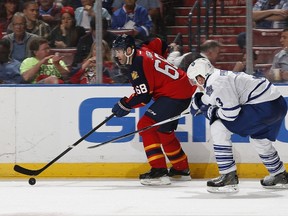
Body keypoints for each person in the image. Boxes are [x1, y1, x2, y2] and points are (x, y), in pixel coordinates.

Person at [187, 58, 288, 193]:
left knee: (218, 126)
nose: (196, 83)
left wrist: (209, 111)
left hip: (262, 107)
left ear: (200, 77)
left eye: (194, 80)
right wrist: (202, 103)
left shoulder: (215, 81)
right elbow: (214, 97)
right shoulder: (218, 76)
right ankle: (279, 174)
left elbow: (231, 114)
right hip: (277, 105)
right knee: (259, 137)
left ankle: (228, 177)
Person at [111, 34, 197, 185]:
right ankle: (181, 170)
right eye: (116, 51)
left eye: (119, 51)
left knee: (145, 125)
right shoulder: (144, 49)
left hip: (174, 94)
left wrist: (125, 104)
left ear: (130, 50)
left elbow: (143, 97)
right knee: (164, 131)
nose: (116, 55)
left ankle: (158, 172)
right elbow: (160, 42)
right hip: (182, 88)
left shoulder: (136, 65)